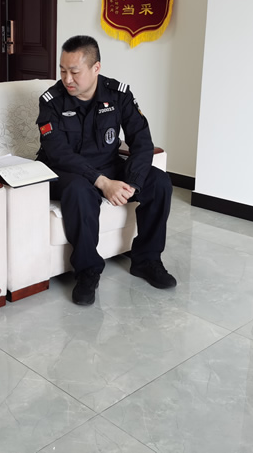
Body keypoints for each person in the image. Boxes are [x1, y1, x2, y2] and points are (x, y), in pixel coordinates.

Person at [36, 35, 175, 305]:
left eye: (74, 71)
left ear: (96, 68)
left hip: (109, 166)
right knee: (80, 190)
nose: (67, 79)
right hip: (65, 172)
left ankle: (147, 260)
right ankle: (87, 272)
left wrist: (132, 183)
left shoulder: (118, 95)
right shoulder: (51, 101)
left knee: (159, 182)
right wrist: (101, 181)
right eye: (62, 71)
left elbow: (142, 141)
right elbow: (58, 152)